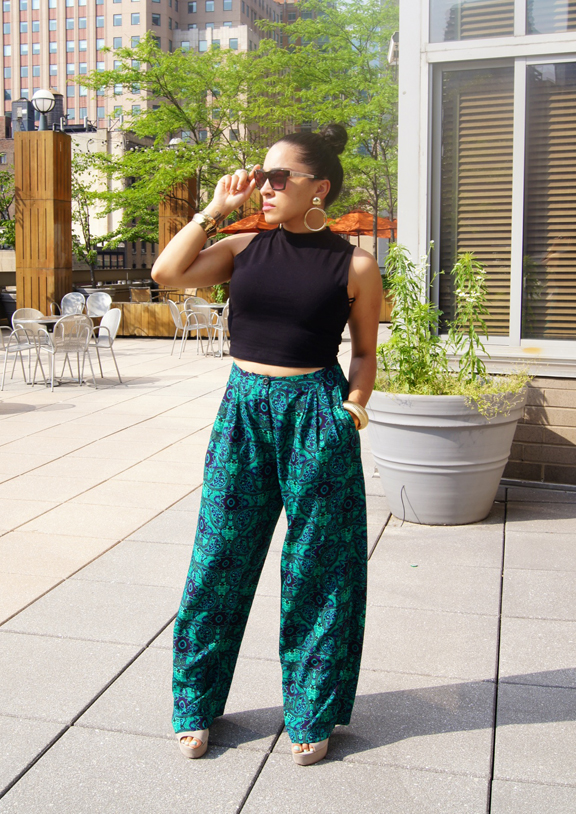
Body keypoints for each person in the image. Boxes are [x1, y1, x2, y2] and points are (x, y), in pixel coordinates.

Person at [151, 123, 382, 766]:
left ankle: (311, 710)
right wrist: (216, 208)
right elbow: (167, 272)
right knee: (218, 558)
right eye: (261, 176)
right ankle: (195, 702)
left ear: (319, 188)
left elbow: (365, 353)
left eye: (279, 177)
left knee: (318, 568)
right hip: (243, 410)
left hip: (316, 413)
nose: (265, 186)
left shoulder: (355, 265)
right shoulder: (242, 247)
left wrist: (353, 410)